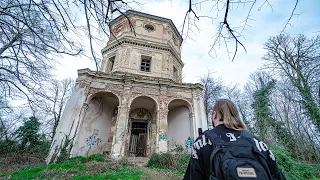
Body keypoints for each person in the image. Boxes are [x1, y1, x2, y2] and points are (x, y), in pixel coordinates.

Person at [183, 99, 285, 180]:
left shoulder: (202, 142)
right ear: (236, 115)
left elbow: (194, 176)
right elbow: (277, 175)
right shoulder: (257, 142)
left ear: (214, 115)